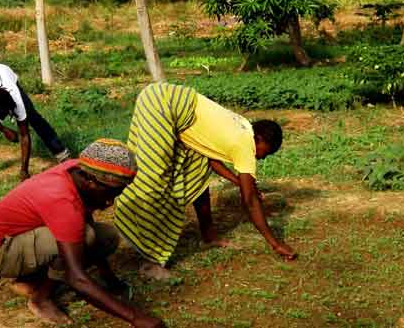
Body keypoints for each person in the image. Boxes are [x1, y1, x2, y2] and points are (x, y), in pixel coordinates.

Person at [114, 82, 297, 279]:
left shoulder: (244, 125)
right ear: (260, 139)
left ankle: (209, 236)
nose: (261, 158)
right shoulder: (245, 145)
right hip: (161, 103)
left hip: (172, 104)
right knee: (154, 179)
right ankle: (149, 258)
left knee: (197, 168)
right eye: (265, 153)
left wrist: (238, 181)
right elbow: (250, 201)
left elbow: (211, 159)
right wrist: (276, 243)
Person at [0, 139, 165, 328]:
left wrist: (109, 278)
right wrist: (136, 318)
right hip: (0, 253)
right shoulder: (61, 199)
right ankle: (41, 299)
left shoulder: (79, 170)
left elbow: (85, 218)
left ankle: (31, 279)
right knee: (85, 237)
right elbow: (76, 277)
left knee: (106, 237)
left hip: (24, 237)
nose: (111, 201)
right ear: (91, 182)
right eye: (113, 192)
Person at [0, 63, 69, 182]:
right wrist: (4, 129)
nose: (4, 117)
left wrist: (24, 170)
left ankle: (61, 153)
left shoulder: (17, 100)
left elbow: (24, 135)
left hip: (6, 73)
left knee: (33, 117)